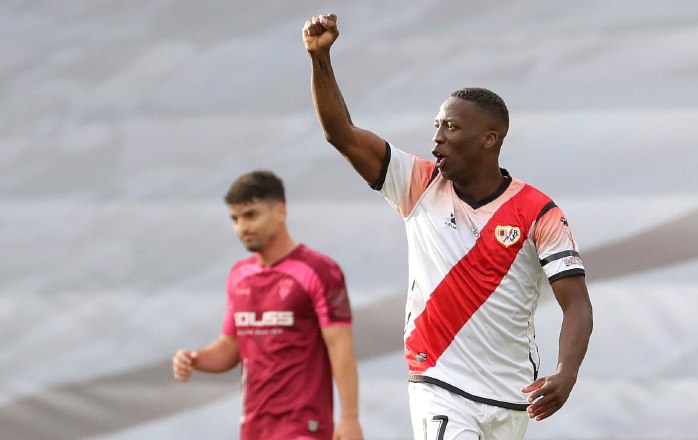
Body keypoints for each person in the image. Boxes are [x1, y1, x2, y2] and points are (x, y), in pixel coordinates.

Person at [302, 13, 593, 440]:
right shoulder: (418, 184)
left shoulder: (538, 211)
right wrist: (320, 57)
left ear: (489, 138)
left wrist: (566, 373)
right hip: (439, 383)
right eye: (436, 125)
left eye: (451, 126)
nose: (437, 137)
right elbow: (340, 133)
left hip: (512, 397)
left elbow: (577, 303)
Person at [172, 170, 364, 440]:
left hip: (303, 426)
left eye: (251, 215)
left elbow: (340, 346)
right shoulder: (239, 275)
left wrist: (350, 418)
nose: (242, 227)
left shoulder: (320, 270)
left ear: (281, 212)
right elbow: (229, 347)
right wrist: (195, 359)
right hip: (254, 429)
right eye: (235, 219)